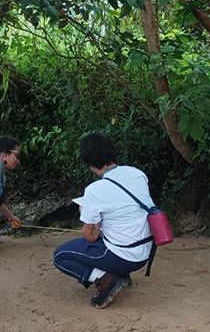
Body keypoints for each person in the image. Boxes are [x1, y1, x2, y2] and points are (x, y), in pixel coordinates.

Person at [53, 132, 153, 309]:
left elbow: (90, 236)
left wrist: (86, 213)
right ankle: (120, 274)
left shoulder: (95, 190)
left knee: (60, 256)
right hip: (145, 251)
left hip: (124, 255)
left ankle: (107, 279)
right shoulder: (137, 174)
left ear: (90, 164)